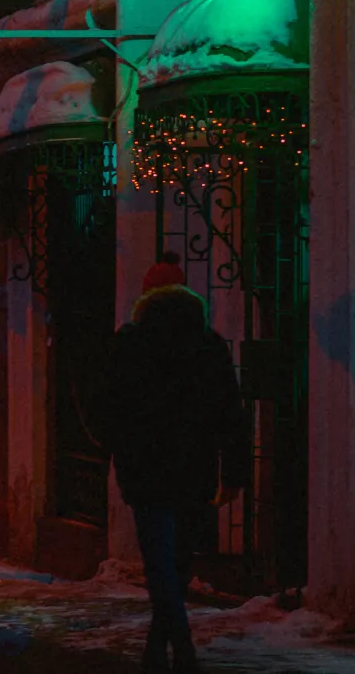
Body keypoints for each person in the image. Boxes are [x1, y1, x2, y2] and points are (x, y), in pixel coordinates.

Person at [94, 252, 252, 673]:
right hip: (194, 470)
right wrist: (234, 473)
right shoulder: (208, 343)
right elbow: (230, 413)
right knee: (178, 561)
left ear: (147, 295)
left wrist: (116, 452)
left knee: (158, 559)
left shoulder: (128, 343)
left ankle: (173, 645)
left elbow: (107, 410)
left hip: (144, 472)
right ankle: (168, 645)